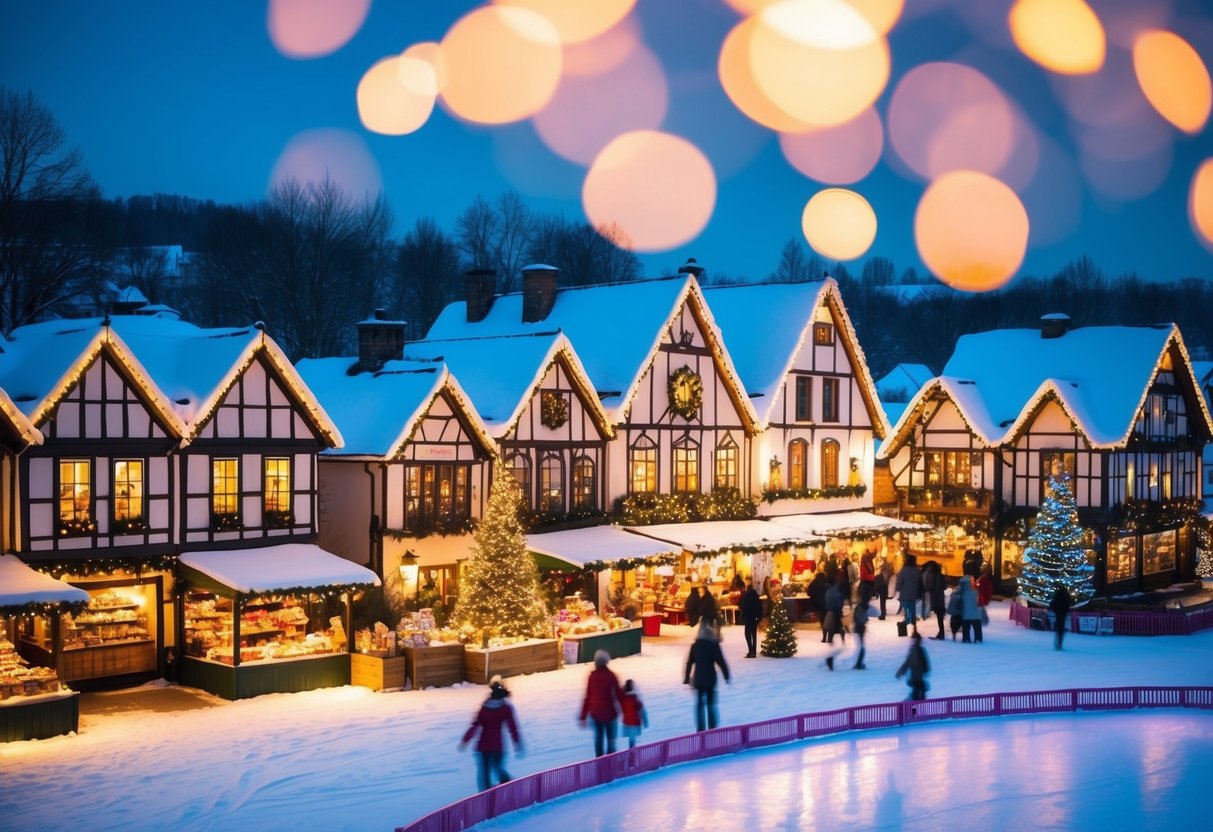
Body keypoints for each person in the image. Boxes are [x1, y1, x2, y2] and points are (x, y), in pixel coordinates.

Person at [459, 676, 522, 791]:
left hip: (483, 744)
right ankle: (509, 786)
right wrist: (517, 742)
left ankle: (485, 793)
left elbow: (475, 724)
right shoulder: (505, 708)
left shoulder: (485, 707)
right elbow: (512, 727)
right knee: (497, 766)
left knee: (484, 771)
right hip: (497, 745)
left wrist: (465, 739)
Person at [684, 619, 731, 731]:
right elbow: (721, 661)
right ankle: (712, 727)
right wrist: (726, 676)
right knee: (711, 703)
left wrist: (686, 678)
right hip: (710, 679)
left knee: (700, 704)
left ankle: (700, 728)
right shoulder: (713, 645)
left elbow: (689, 662)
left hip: (698, 679)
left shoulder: (695, 646)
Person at [578, 649, 623, 757]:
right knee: (611, 741)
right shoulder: (611, 675)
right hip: (610, 713)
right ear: (607, 661)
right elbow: (619, 694)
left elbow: (588, 697)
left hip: (596, 714)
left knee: (598, 740)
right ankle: (610, 764)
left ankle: (599, 763)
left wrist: (583, 716)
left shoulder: (592, 677)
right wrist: (627, 709)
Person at [895, 632, 930, 701]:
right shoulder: (917, 650)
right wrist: (900, 672)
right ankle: (910, 706)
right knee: (918, 694)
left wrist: (925, 668)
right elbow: (908, 663)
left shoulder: (918, 650)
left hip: (917, 677)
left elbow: (908, 663)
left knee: (918, 694)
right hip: (916, 677)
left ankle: (911, 706)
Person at [895, 554, 921, 636]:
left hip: (905, 595)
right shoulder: (916, 570)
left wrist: (898, 588)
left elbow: (899, 582)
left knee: (907, 613)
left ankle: (903, 626)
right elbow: (919, 582)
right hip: (913, 595)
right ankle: (914, 630)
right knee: (912, 612)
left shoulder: (904, 570)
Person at [619, 679, 649, 749]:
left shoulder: (623, 699)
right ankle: (632, 753)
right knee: (632, 738)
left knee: (631, 738)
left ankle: (632, 750)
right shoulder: (635, 699)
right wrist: (645, 723)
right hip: (635, 722)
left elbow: (619, 694)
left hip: (627, 721)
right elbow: (642, 711)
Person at [740, 581, 763, 658]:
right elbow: (759, 607)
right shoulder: (756, 596)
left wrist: (743, 616)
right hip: (754, 618)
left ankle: (750, 650)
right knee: (754, 634)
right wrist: (759, 617)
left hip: (748, 617)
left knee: (747, 634)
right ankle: (754, 651)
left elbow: (743, 607)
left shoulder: (746, 596)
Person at [958, 575, 982, 643]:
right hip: (974, 613)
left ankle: (966, 637)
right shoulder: (974, 592)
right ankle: (978, 638)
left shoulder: (962, 592)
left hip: (966, 613)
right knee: (976, 625)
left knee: (966, 626)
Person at [1049, 585, 1073, 650]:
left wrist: (1055, 610)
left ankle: (1058, 642)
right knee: (1061, 629)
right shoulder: (1066, 596)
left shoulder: (1057, 595)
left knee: (1058, 628)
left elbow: (1052, 603)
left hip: (1058, 613)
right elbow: (1069, 603)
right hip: (1063, 613)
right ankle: (1059, 643)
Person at [927, 563, 947, 640]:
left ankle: (941, 633)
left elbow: (931, 587)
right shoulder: (941, 576)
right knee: (940, 616)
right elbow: (944, 587)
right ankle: (941, 632)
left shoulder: (933, 576)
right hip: (940, 597)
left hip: (936, 598)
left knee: (939, 616)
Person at [852, 585, 870, 670]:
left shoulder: (860, 605)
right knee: (862, 648)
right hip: (860, 627)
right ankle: (859, 663)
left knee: (861, 647)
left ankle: (859, 663)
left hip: (858, 627)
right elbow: (863, 618)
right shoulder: (862, 606)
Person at [809, 568, 829, 640]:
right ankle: (827, 631)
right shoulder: (827, 582)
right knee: (826, 616)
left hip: (816, 602)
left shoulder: (814, 582)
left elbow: (809, 592)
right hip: (826, 602)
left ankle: (823, 628)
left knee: (821, 617)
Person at [976, 562, 994, 631]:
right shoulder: (986, 578)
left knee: (980, 610)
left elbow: (981, 587)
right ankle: (983, 621)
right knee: (981, 610)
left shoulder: (984, 578)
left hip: (981, 597)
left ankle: (982, 621)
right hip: (982, 597)